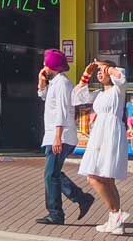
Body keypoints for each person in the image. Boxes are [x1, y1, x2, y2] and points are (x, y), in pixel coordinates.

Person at [36, 49, 93, 226]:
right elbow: (44, 96)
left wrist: (58, 137)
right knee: (53, 173)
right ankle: (81, 198)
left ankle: (56, 213)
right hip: (56, 135)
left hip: (61, 135)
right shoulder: (55, 83)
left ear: (53, 66)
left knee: (50, 175)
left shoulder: (61, 84)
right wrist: (41, 81)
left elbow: (61, 110)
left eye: (46, 64)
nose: (44, 67)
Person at [75, 59, 130, 235]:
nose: (100, 73)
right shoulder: (99, 93)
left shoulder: (117, 90)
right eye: (98, 72)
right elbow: (78, 97)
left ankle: (116, 213)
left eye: (102, 71)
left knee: (95, 177)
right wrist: (87, 73)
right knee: (105, 179)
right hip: (99, 133)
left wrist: (107, 67)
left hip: (111, 132)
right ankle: (115, 222)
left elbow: (121, 77)